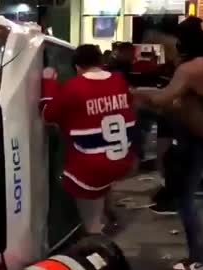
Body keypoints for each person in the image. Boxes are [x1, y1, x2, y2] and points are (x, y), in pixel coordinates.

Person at [132, 17, 203, 270]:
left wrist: (135, 92)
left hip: (197, 135)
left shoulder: (191, 68)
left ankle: (200, 258)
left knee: (186, 199)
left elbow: (163, 99)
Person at [41, 44, 136, 234]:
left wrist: (49, 83)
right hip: (121, 159)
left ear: (77, 67)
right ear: (100, 62)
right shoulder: (119, 81)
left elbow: (47, 115)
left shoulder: (74, 87)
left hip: (89, 169)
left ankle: (97, 249)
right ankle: (107, 213)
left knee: (91, 226)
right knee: (103, 182)